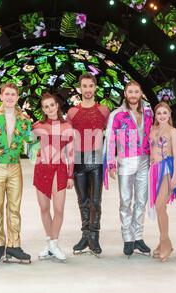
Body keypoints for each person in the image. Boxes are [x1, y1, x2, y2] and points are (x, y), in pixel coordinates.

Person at [0, 83, 33, 264]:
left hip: (14, 166)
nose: (10, 97)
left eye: (13, 94)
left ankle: (14, 245)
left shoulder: (25, 120)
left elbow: (31, 145)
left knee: (14, 207)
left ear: (17, 97)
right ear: (1, 96)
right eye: (7, 94)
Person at [104, 81, 154, 258]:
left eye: (136, 92)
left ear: (141, 93)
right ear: (125, 94)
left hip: (145, 160)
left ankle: (138, 237)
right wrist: (110, 163)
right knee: (126, 201)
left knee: (141, 200)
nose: (133, 95)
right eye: (130, 92)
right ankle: (127, 238)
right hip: (125, 160)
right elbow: (109, 140)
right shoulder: (117, 115)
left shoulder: (148, 112)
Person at [66, 74, 110, 256]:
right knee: (82, 200)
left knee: (96, 201)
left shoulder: (104, 111)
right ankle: (85, 235)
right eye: (84, 86)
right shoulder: (72, 112)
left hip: (96, 159)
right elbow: (67, 138)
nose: (88, 89)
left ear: (95, 88)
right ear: (80, 88)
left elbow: (112, 134)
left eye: (91, 86)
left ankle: (95, 236)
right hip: (78, 160)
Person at [33, 93, 74, 262]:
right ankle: (50, 244)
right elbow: (29, 146)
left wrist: (70, 175)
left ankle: (54, 243)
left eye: (52, 105)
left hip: (59, 169)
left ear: (57, 106)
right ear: (43, 109)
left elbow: (71, 153)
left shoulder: (67, 127)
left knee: (58, 209)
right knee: (44, 209)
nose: (49, 108)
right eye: (46, 106)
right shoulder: (37, 125)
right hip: (41, 168)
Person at [148, 102, 176, 262]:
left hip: (167, 171)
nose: (162, 116)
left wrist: (175, 177)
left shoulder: (173, 132)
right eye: (159, 113)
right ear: (155, 115)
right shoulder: (152, 130)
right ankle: (163, 242)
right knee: (160, 208)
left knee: (160, 206)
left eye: (164, 113)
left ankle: (166, 243)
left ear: (169, 114)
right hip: (153, 171)